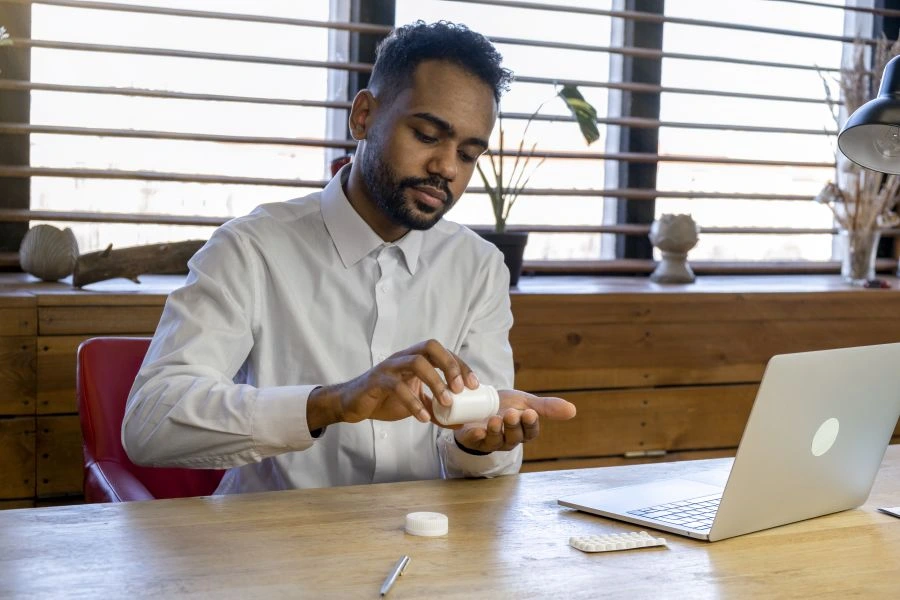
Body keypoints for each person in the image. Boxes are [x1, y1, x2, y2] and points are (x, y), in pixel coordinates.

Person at [122, 20, 576, 494]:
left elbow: (480, 460)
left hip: (423, 547)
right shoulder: (251, 247)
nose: (446, 167)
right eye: (426, 135)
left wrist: (479, 444)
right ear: (363, 116)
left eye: (467, 154)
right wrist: (331, 403)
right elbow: (150, 423)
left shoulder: (478, 267)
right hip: (269, 549)